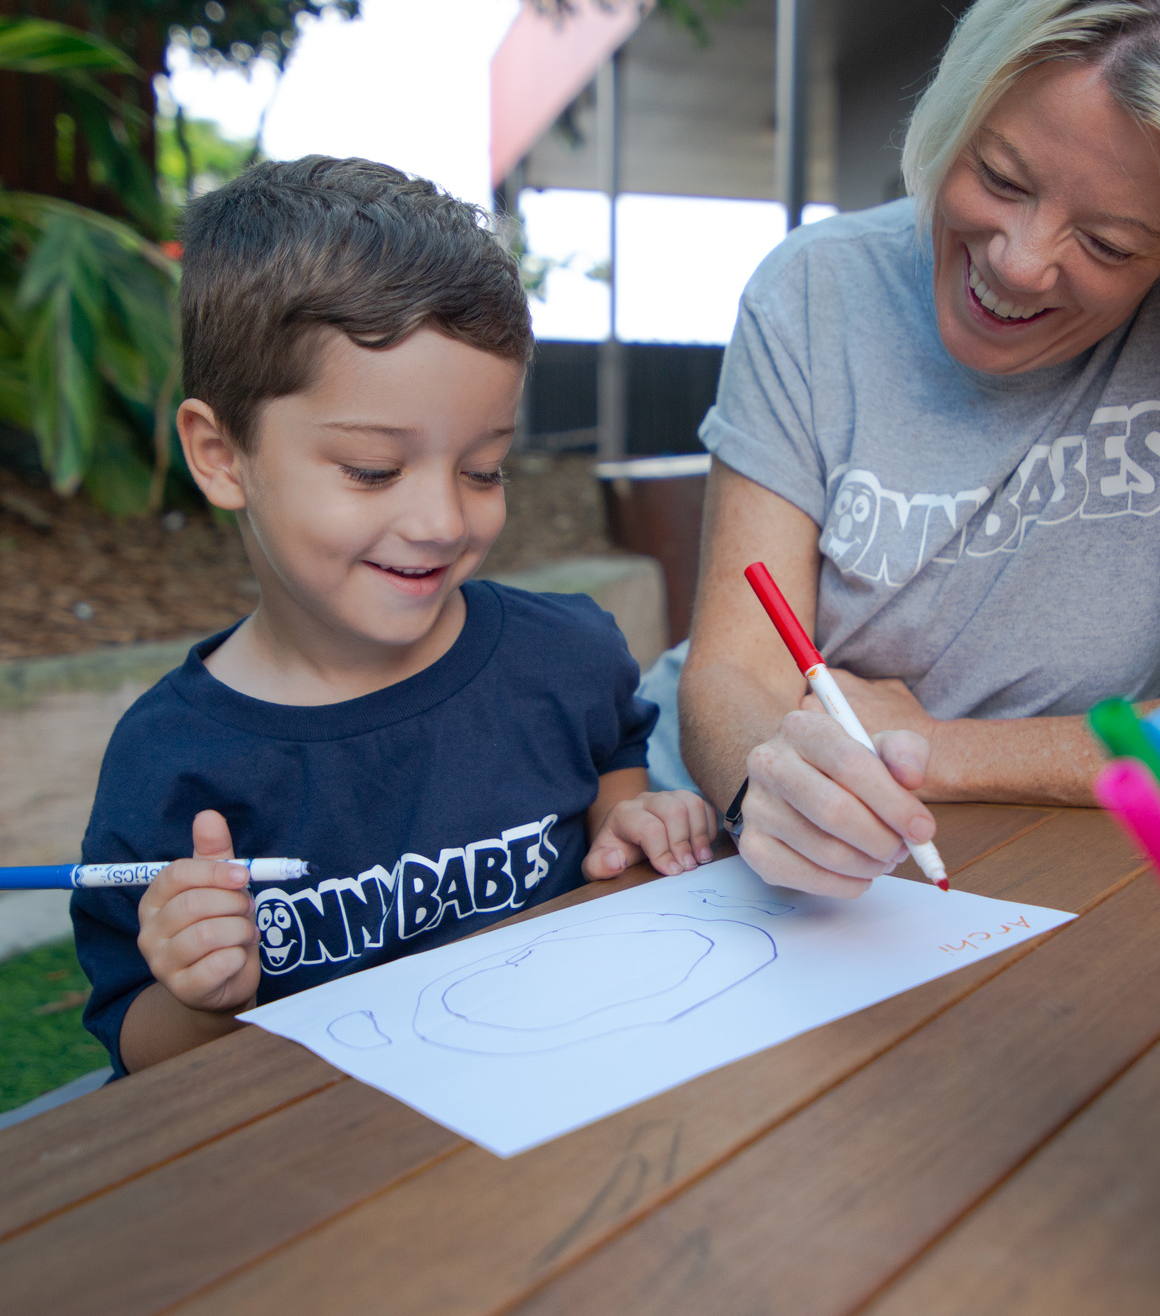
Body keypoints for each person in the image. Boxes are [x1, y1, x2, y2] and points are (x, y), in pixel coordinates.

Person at [675, 0, 1160, 897]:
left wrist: (943, 752)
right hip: (736, 849)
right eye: (999, 176)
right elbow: (731, 670)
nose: (1019, 265)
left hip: (1026, 861)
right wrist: (765, 789)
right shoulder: (813, 292)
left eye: (1108, 243)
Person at [73, 158, 718, 1076]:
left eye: (484, 468)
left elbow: (612, 761)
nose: (444, 521)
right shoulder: (170, 764)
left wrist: (629, 822)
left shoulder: (567, 654)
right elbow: (136, 1041)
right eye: (374, 469)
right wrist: (202, 999)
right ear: (221, 455)